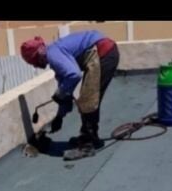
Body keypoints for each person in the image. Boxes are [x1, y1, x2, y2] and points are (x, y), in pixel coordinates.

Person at [20, 30, 120, 159]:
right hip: (102, 53)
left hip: (103, 53)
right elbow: (66, 93)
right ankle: (88, 137)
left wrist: (60, 93)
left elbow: (74, 75)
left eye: (33, 62)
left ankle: (88, 145)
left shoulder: (53, 54)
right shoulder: (55, 57)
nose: (35, 66)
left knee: (88, 100)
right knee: (87, 98)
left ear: (37, 56)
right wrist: (59, 116)